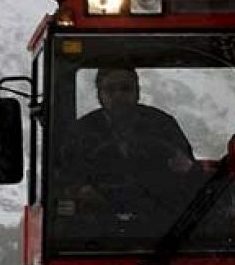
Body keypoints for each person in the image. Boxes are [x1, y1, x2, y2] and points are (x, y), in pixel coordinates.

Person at [64, 68, 203, 214]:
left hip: (160, 214)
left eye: (126, 88)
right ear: (99, 95)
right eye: (110, 89)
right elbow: (64, 175)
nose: (118, 95)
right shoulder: (81, 130)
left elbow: (190, 171)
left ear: (138, 92)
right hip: (97, 216)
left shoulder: (162, 124)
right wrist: (81, 190)